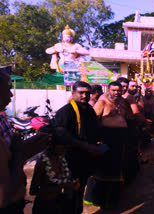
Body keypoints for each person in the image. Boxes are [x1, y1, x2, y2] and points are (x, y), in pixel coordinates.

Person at [0, 72, 51, 213]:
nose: (11, 95)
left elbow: (10, 157)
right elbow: (2, 197)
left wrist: (26, 147)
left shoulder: (3, 118)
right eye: (8, 89)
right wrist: (20, 153)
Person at [55, 81, 101, 214]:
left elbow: (93, 130)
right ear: (73, 93)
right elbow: (62, 136)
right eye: (81, 93)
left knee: (80, 190)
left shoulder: (89, 110)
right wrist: (84, 145)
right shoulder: (66, 111)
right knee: (71, 192)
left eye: (87, 93)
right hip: (71, 158)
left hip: (86, 157)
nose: (84, 96)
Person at [84, 81, 131, 209]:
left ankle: (113, 200)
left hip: (120, 140)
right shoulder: (102, 102)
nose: (116, 92)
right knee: (103, 170)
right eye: (114, 90)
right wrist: (97, 139)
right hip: (106, 139)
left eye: (119, 90)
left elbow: (129, 117)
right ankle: (100, 200)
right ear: (108, 90)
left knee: (117, 169)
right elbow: (92, 122)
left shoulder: (122, 103)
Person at [30, 128, 79, 214]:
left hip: (58, 203)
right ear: (52, 145)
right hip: (44, 207)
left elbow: (63, 180)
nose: (65, 149)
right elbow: (32, 191)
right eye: (63, 146)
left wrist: (69, 185)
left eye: (67, 146)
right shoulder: (42, 163)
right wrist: (59, 186)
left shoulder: (61, 159)